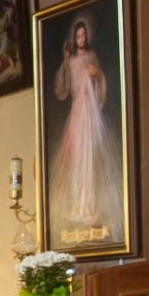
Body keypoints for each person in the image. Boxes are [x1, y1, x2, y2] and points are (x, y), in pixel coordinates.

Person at [48, 17, 121, 244]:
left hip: (90, 110)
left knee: (90, 157)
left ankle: (88, 204)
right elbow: (63, 89)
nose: (81, 38)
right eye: (77, 35)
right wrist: (64, 63)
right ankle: (77, 202)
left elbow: (100, 81)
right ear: (74, 38)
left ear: (86, 36)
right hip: (78, 110)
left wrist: (97, 74)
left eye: (83, 35)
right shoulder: (70, 60)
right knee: (77, 158)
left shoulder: (91, 57)